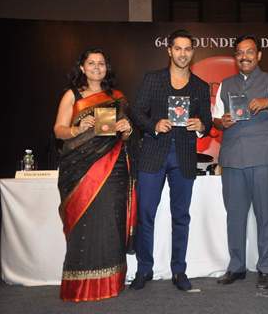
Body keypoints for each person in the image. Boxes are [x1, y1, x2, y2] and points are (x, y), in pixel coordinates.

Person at [129, 29, 212, 291]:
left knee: (181, 216)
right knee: (145, 214)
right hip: (153, 154)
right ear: (169, 51)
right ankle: (144, 269)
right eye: (178, 48)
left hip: (185, 158)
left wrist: (201, 124)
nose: (183, 53)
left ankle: (179, 271)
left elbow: (207, 122)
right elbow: (135, 111)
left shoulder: (200, 85)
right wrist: (155, 124)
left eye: (188, 49)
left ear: (192, 52)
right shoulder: (153, 79)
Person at [54, 48, 136, 302]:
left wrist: (127, 128)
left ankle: (111, 282)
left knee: (111, 221)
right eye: (91, 63)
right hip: (80, 168)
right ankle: (80, 284)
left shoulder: (117, 96)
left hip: (113, 168)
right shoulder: (73, 95)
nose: (97, 67)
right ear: (82, 67)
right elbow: (59, 130)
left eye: (101, 63)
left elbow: (126, 134)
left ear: (106, 67)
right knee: (84, 224)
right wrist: (78, 128)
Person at [213, 34, 268, 289]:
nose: (244, 56)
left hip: (264, 157)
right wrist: (221, 122)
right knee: (234, 216)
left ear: (258, 55)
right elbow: (215, 119)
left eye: (250, 52)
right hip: (233, 158)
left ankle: (266, 268)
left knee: (265, 214)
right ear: (235, 57)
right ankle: (236, 267)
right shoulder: (225, 84)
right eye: (240, 53)